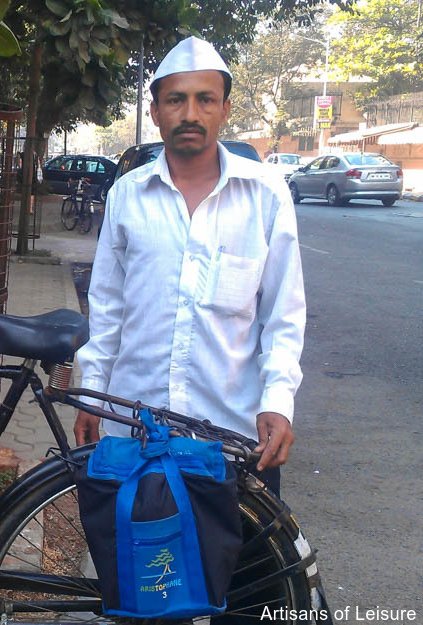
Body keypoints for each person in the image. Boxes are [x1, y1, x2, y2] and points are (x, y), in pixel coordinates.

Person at [73, 36, 306, 496]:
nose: (191, 114)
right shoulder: (127, 195)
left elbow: (283, 312)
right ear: (156, 111)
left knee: (248, 566)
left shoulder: (265, 195)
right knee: (139, 562)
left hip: (233, 437)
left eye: (205, 100)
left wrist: (278, 402)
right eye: (176, 100)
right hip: (135, 429)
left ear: (225, 109)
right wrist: (92, 395)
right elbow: (107, 306)